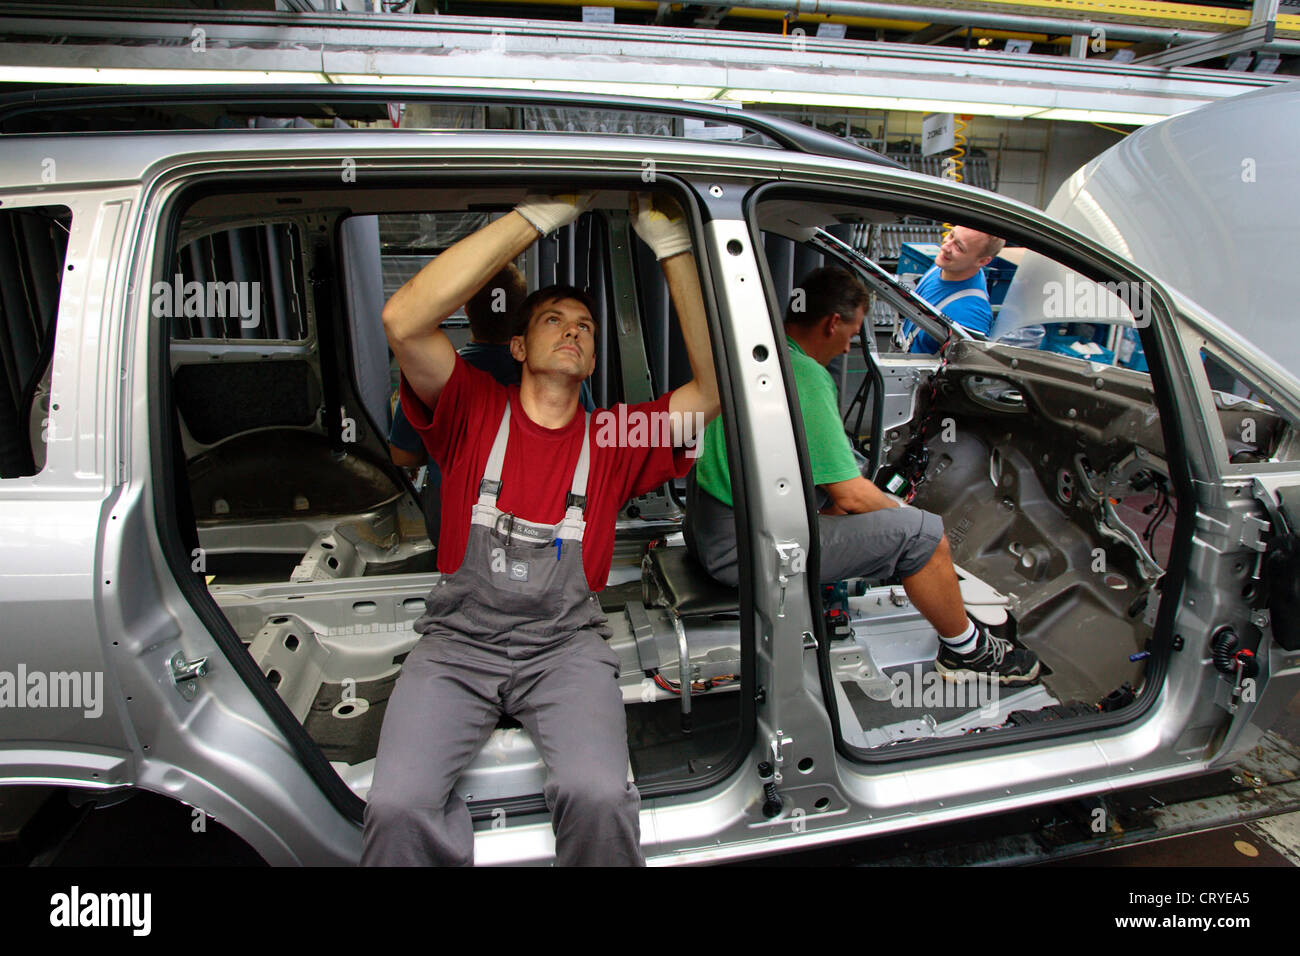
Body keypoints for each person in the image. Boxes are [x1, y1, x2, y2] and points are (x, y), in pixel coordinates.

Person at [361, 191, 719, 867]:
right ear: (519, 345)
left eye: (585, 325)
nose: (575, 330)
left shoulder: (614, 435)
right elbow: (403, 317)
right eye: (554, 319)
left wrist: (672, 250)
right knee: (396, 807)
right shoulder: (470, 405)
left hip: (563, 649)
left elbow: (710, 395)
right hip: (457, 646)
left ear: (590, 357)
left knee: (600, 795)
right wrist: (538, 217)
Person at [686, 266, 1039, 687]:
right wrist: (902, 511)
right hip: (742, 551)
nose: (849, 348)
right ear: (832, 322)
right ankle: (968, 652)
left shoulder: (752, 352)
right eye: (851, 335)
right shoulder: (802, 374)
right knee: (924, 535)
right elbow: (852, 496)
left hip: (709, 531)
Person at [386, 263, 595, 543]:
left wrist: (447, 449)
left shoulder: (435, 376)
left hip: (456, 521)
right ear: (523, 314)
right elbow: (593, 447)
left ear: (467, 311)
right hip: (543, 523)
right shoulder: (563, 378)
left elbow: (403, 455)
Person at [900, 225, 1005, 354]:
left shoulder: (970, 314)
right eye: (951, 235)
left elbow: (962, 370)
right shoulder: (945, 266)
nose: (945, 246)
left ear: (982, 261)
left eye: (959, 247)